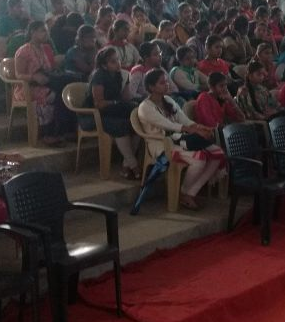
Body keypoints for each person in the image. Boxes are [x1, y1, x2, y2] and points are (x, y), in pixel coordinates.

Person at [137, 69, 226, 211]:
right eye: (162, 82)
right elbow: (167, 125)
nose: (167, 84)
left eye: (166, 81)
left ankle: (190, 192)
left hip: (180, 140)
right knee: (200, 158)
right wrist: (191, 130)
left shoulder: (168, 100)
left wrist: (199, 127)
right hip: (162, 145)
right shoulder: (145, 107)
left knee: (217, 153)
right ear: (151, 87)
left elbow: (184, 120)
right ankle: (185, 193)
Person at [84, 47, 143, 179]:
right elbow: (99, 103)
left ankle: (126, 166)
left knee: (137, 121)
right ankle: (134, 166)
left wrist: (126, 80)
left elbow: (125, 98)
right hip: (96, 115)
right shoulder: (99, 76)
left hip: (113, 111)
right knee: (120, 126)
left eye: (118, 60)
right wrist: (116, 103)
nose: (118, 63)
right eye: (113, 61)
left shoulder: (119, 74)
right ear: (104, 65)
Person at [13, 20, 66, 146]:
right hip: (28, 87)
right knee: (53, 96)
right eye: (43, 31)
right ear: (33, 32)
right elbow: (18, 75)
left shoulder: (45, 48)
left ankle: (61, 131)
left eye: (47, 31)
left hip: (46, 83)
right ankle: (47, 134)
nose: (47, 34)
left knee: (65, 92)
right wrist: (34, 77)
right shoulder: (23, 51)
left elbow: (49, 68)